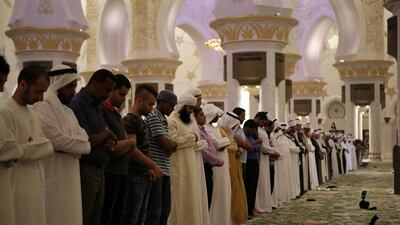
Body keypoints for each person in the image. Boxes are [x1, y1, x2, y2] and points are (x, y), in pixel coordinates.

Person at [32, 65, 91, 225]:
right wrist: (75, 143)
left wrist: (71, 145)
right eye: (70, 87)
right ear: (58, 85)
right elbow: (58, 140)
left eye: (74, 86)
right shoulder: (41, 107)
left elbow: (86, 143)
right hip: (53, 175)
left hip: (71, 175)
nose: (73, 91)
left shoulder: (68, 112)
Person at [0, 64, 54, 225]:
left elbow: (48, 146)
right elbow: (8, 150)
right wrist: (32, 147)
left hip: (36, 187)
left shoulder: (33, 114)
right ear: (23, 84)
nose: (41, 98)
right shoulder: (4, 112)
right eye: (38, 91)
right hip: (15, 188)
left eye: (43, 92)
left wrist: (28, 146)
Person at [69, 69, 118, 225]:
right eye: (107, 89)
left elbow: (100, 132)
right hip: (86, 169)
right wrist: (107, 134)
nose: (108, 94)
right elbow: (85, 140)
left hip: (99, 168)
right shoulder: (78, 104)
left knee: (96, 218)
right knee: (85, 216)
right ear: (94, 83)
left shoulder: (96, 105)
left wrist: (108, 141)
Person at [123, 85, 164, 225]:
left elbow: (144, 149)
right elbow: (132, 150)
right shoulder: (130, 120)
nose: (152, 108)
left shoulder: (140, 121)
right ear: (139, 101)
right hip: (134, 175)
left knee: (141, 216)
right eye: (150, 104)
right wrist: (153, 165)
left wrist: (149, 169)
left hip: (143, 174)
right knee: (132, 217)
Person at [167, 92, 208, 225]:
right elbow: (172, 142)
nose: (191, 111)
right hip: (178, 165)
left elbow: (194, 141)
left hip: (190, 164)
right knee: (179, 198)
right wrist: (191, 138)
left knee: (190, 198)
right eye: (189, 108)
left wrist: (195, 141)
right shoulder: (172, 120)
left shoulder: (189, 121)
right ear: (182, 106)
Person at [100, 74, 135, 225]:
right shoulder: (102, 111)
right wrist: (130, 142)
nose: (123, 99)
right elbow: (112, 147)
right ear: (111, 90)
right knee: (108, 216)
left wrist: (126, 143)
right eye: (121, 94)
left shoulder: (116, 115)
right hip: (110, 172)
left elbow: (124, 144)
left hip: (122, 172)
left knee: (119, 217)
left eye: (125, 95)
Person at [145, 90, 178, 225]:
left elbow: (169, 144)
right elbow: (165, 143)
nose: (172, 108)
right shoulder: (153, 115)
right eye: (171, 105)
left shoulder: (163, 118)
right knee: (154, 212)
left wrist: (171, 145)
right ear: (162, 103)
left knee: (165, 211)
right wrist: (171, 145)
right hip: (156, 169)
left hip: (165, 169)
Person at [201, 104, 232, 225]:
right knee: (216, 193)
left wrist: (225, 141)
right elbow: (216, 145)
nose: (218, 118)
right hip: (215, 164)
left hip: (221, 163)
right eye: (216, 115)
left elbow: (220, 143)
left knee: (222, 191)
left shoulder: (213, 128)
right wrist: (228, 140)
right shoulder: (206, 129)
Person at [218, 112, 248, 225]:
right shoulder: (220, 131)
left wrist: (237, 148)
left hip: (234, 165)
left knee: (235, 189)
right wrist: (237, 148)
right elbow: (225, 145)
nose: (235, 129)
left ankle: (233, 218)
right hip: (226, 166)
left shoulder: (227, 133)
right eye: (234, 126)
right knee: (229, 190)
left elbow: (232, 144)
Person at [194, 107, 224, 209]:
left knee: (208, 195)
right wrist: (216, 160)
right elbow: (204, 151)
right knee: (205, 196)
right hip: (204, 165)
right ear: (194, 117)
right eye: (201, 115)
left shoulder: (203, 129)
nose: (204, 117)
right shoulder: (197, 130)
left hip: (208, 165)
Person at [254, 112, 278, 214]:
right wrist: (274, 151)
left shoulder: (262, 130)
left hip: (265, 160)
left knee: (265, 182)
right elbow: (262, 147)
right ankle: (259, 206)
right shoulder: (256, 130)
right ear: (259, 119)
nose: (265, 123)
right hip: (260, 159)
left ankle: (264, 204)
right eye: (264, 121)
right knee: (261, 183)